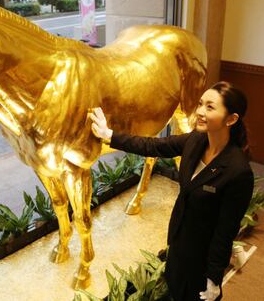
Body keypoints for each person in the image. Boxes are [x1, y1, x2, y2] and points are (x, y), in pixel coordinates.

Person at [89, 81, 254, 301]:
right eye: (200, 104)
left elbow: (225, 232)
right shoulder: (195, 140)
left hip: (200, 261)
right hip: (177, 245)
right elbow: (153, 146)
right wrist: (109, 134)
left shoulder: (238, 172)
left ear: (231, 119)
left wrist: (214, 278)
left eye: (210, 107)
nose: (200, 112)